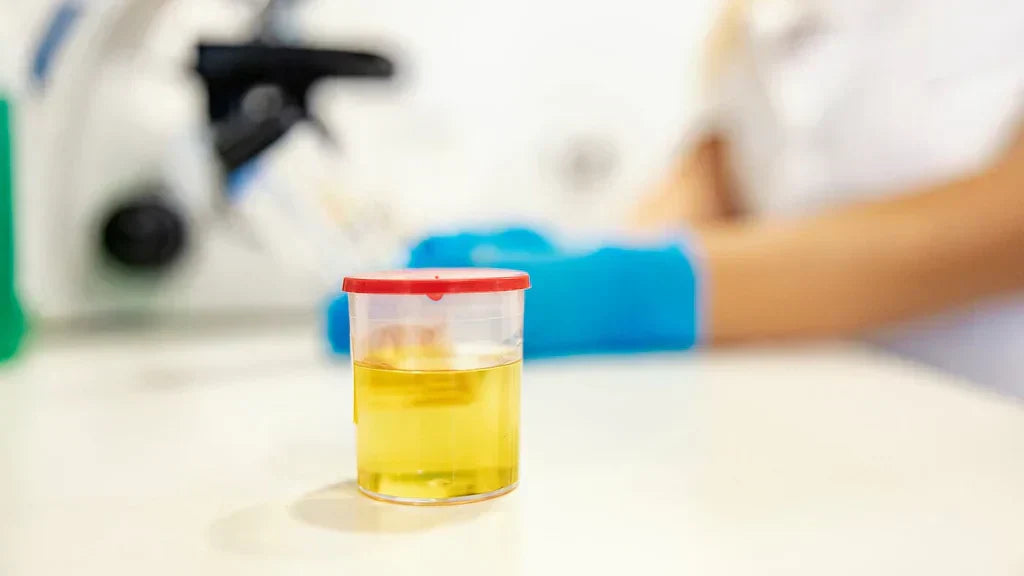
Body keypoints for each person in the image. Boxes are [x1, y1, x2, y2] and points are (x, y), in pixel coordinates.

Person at [633, 0, 1024, 394]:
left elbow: (1010, 221)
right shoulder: (756, 18)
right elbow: (709, 177)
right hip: (793, 396)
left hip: (985, 402)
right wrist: (629, 264)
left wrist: (644, 288)